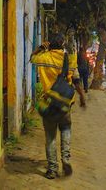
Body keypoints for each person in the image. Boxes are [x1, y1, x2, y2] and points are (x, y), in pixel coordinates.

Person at [30, 33, 76, 179]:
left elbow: (32, 58)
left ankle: (52, 169)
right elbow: (74, 77)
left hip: (49, 102)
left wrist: (40, 48)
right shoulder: (68, 59)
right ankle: (66, 158)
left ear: (49, 44)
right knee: (66, 129)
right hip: (64, 103)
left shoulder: (44, 57)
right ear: (62, 44)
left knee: (50, 137)